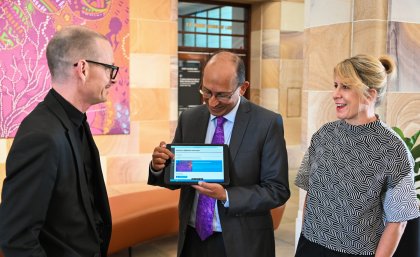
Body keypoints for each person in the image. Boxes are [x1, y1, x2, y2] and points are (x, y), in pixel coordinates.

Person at [149, 51, 290, 257]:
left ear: (243, 88)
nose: (212, 102)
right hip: (193, 238)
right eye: (206, 92)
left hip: (241, 243)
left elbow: (277, 190)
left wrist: (226, 195)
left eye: (222, 95)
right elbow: (176, 176)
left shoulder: (267, 124)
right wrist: (158, 166)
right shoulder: (190, 118)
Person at [0, 26, 118, 256]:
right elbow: (16, 238)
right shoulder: (41, 136)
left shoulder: (74, 121)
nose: (112, 80)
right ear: (83, 68)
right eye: (109, 69)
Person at [295, 54, 420, 257]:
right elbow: (311, 192)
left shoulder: (392, 148)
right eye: (335, 85)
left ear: (370, 94)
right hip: (309, 246)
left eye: (345, 87)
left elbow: (399, 221)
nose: (335, 94)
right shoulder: (323, 135)